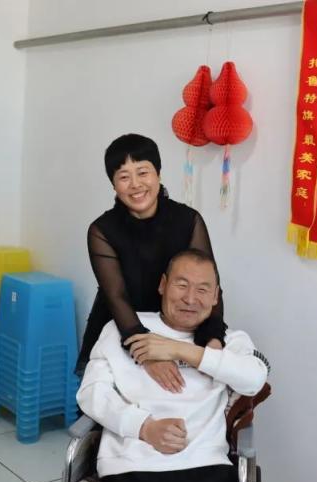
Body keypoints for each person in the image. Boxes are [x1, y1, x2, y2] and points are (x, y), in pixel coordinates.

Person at [76, 249, 268, 482]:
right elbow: (91, 392)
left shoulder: (229, 341)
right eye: (182, 285)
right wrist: (143, 427)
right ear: (163, 285)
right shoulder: (122, 329)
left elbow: (254, 379)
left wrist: (180, 350)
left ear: (215, 296)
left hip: (206, 466)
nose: (190, 298)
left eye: (202, 289)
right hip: (132, 465)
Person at [77, 133, 227, 395]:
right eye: (124, 176)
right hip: (123, 327)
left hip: (176, 328)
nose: (135, 184)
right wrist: (147, 354)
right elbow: (116, 296)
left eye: (143, 172)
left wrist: (213, 339)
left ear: (158, 173)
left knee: (185, 399)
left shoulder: (188, 220)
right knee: (110, 404)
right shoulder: (102, 230)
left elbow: (208, 283)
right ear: (114, 184)